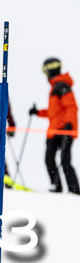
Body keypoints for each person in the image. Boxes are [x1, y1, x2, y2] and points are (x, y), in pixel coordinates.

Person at [30, 57, 79, 194]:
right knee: (49, 159)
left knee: (64, 160)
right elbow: (53, 113)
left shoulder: (61, 85)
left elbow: (71, 107)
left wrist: (69, 124)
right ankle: (56, 186)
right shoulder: (55, 87)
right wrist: (38, 112)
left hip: (65, 130)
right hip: (54, 131)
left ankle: (74, 190)